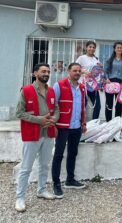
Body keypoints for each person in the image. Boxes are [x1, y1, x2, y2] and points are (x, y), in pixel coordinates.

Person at [15, 63, 59, 212]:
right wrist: (40, 120)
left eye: (48, 71)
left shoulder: (51, 91)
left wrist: (53, 119)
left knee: (44, 165)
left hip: (48, 134)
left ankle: (41, 190)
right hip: (32, 134)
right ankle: (20, 198)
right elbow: (19, 113)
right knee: (26, 168)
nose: (46, 73)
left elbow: (56, 110)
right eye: (43, 71)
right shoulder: (26, 90)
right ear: (35, 73)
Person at [51, 63, 87, 198]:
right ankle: (56, 183)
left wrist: (83, 123)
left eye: (79, 70)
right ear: (69, 71)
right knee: (59, 154)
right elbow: (53, 105)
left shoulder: (82, 88)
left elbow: (82, 107)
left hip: (76, 127)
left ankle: (70, 180)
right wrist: (53, 124)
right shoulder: (59, 85)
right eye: (74, 70)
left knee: (73, 153)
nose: (77, 72)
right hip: (62, 126)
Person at [104, 42, 122, 122]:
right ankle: (108, 122)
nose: (119, 49)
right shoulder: (109, 59)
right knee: (109, 103)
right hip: (110, 82)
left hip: (121, 83)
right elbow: (105, 71)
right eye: (118, 47)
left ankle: (117, 122)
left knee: (119, 104)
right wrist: (107, 78)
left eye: (121, 48)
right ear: (114, 49)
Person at [76, 41, 103, 119]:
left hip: (93, 86)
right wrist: (83, 71)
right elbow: (75, 68)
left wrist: (100, 68)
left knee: (97, 106)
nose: (92, 49)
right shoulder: (81, 58)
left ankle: (94, 124)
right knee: (83, 105)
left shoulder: (96, 59)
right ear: (86, 48)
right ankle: (80, 124)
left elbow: (99, 72)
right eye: (90, 47)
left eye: (93, 47)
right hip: (83, 84)